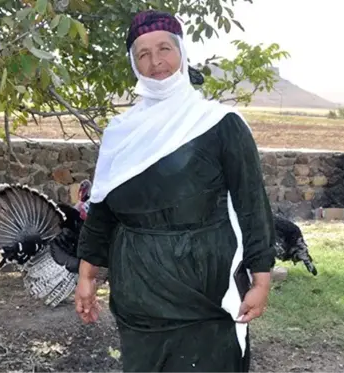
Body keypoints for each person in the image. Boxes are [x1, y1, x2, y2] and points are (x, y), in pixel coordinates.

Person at [74, 10, 276, 373]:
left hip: (207, 289)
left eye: (164, 49)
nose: (156, 63)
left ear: (182, 52)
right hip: (138, 292)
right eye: (143, 54)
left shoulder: (220, 124)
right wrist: (86, 277)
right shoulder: (121, 132)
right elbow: (101, 211)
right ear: (133, 64)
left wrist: (261, 281)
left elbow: (252, 206)